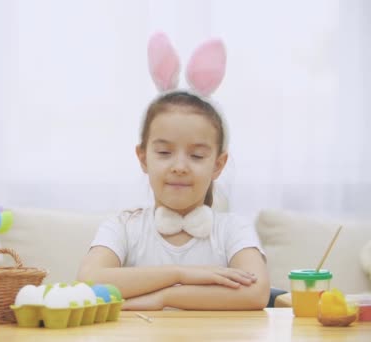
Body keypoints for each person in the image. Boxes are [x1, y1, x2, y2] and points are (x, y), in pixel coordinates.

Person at [77, 32, 269, 310]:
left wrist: (165, 297)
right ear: (143, 158)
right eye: (164, 153)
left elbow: (257, 293)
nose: (179, 167)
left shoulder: (232, 229)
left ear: (218, 164)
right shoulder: (123, 227)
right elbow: (88, 282)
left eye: (197, 155)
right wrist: (180, 274)